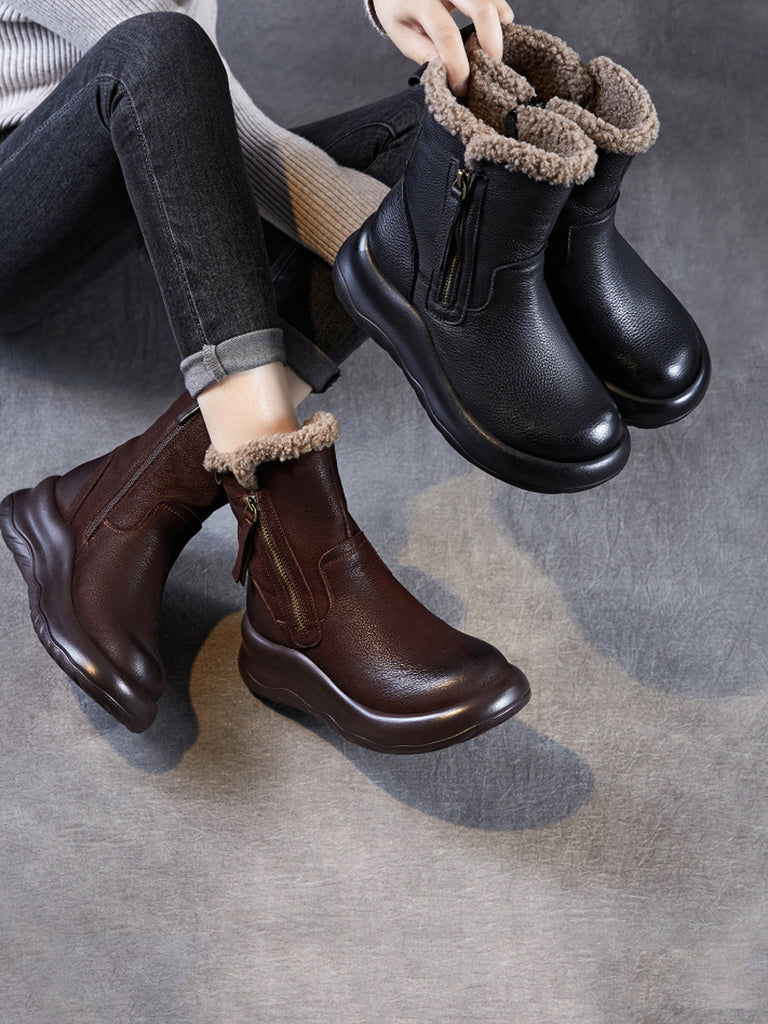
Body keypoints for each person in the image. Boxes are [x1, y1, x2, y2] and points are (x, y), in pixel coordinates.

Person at [0, 0, 531, 753]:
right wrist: (385, 261)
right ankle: (300, 579)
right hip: (24, 191)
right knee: (158, 51)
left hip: (142, 133)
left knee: (449, 142)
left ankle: (119, 505)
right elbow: (163, 67)